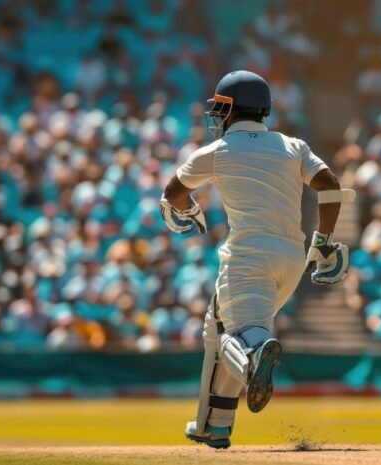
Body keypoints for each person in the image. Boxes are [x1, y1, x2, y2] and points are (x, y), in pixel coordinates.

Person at [159, 70, 350, 449]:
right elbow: (330, 186)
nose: (216, 115)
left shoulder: (216, 151)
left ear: (230, 109)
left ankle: (253, 356)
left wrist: (188, 209)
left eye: (220, 108)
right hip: (292, 258)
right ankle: (214, 424)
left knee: (237, 338)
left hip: (248, 256)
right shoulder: (292, 146)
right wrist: (325, 242)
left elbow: (173, 192)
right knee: (217, 327)